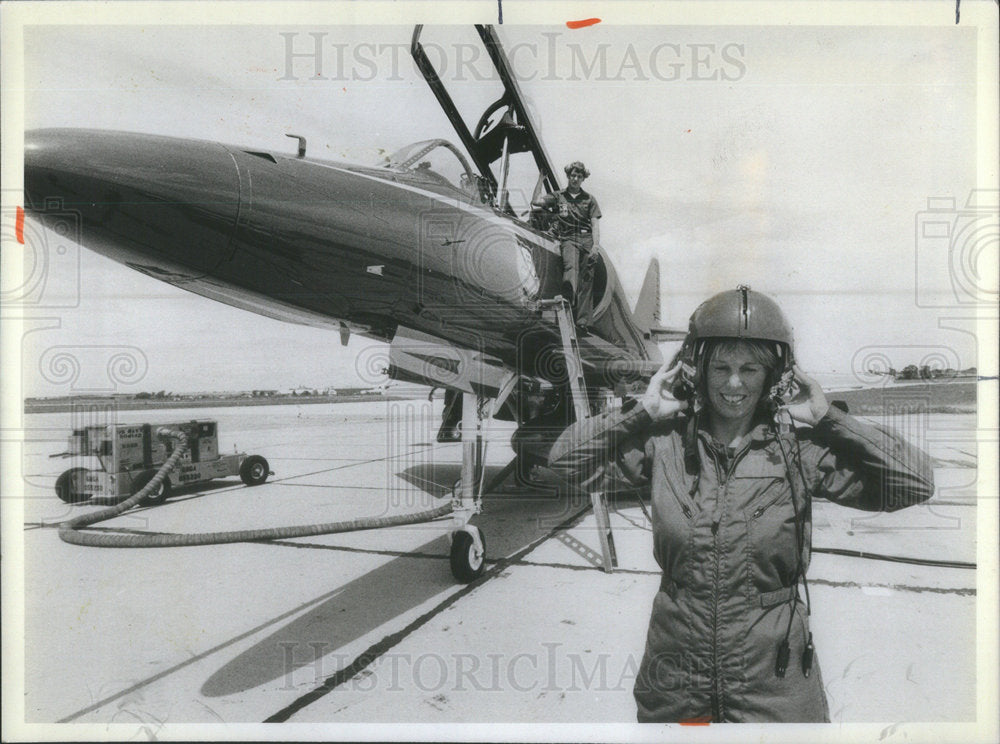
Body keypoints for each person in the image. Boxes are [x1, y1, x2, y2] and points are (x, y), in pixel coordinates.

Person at [546, 286, 935, 723]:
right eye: (721, 367)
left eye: (750, 368)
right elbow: (563, 463)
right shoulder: (664, 446)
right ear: (696, 373)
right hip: (676, 683)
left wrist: (830, 420)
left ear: (774, 377)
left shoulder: (800, 453)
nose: (734, 384)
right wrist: (642, 412)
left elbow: (914, 483)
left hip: (773, 691)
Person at [536, 161, 602, 327]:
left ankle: (583, 322)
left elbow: (595, 224)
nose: (575, 179)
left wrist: (595, 246)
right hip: (569, 238)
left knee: (587, 279)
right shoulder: (558, 196)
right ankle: (567, 306)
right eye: (573, 175)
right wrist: (540, 179)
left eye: (579, 176)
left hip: (587, 239)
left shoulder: (590, 199)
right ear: (568, 176)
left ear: (583, 179)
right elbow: (536, 202)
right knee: (570, 268)